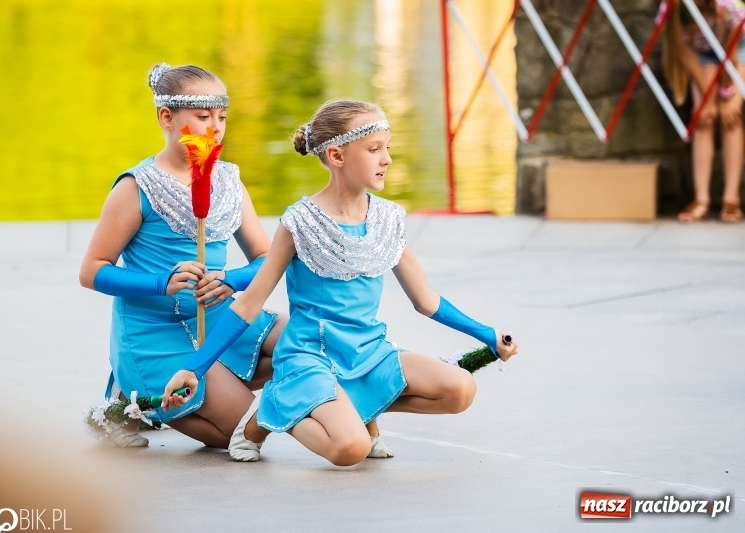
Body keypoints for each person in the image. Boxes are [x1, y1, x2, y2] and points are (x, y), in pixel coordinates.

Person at [161, 99, 519, 466]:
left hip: (368, 352)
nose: (387, 160)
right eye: (374, 149)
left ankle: (354, 407)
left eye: (388, 149)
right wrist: (195, 367)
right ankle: (270, 407)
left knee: (460, 389)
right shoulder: (300, 221)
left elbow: (426, 300)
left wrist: (486, 334)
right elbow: (249, 303)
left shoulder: (388, 220)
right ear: (336, 155)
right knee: (351, 450)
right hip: (310, 358)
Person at [79, 63, 286, 448]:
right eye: (203, 117)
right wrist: (162, 282)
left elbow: (266, 258)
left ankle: (172, 392)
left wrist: (232, 280)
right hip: (153, 334)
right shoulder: (135, 186)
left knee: (305, 344)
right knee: (242, 433)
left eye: (222, 117)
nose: (216, 127)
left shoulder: (229, 181)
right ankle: (137, 402)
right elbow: (92, 271)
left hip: (220, 318)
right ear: (167, 117)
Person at [659, 0, 745, 222]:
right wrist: (706, 102)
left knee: (731, 118)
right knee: (703, 118)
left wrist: (728, 97)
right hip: (702, 53)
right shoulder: (672, 9)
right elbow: (682, 51)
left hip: (739, 45)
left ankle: (731, 198)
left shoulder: (729, 8)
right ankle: (702, 199)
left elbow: (731, 55)